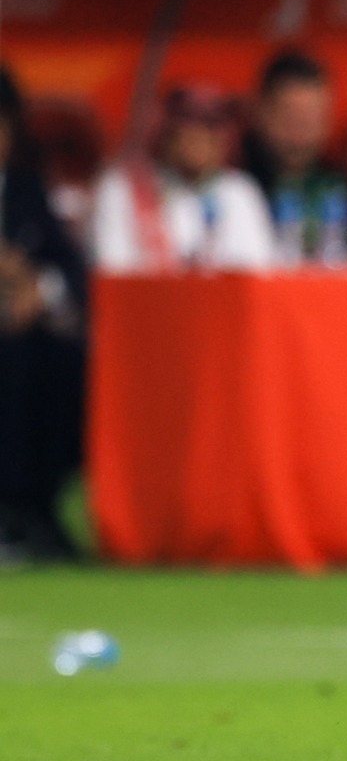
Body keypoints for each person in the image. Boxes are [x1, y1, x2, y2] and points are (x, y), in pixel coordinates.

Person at [0, 66, 89, 562]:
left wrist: (39, 289)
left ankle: (37, 511)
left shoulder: (25, 191)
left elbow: (68, 268)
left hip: (21, 337)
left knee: (64, 360)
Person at [92, 86, 276, 272]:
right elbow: (112, 271)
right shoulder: (124, 187)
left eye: (211, 124)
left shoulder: (240, 191)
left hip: (223, 291)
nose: (200, 135)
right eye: (189, 123)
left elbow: (260, 269)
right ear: (166, 130)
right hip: (150, 291)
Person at [242, 49, 347, 265]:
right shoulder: (235, 188)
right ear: (262, 112)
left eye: (312, 119)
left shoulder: (345, 188)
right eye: (291, 118)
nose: (301, 135)